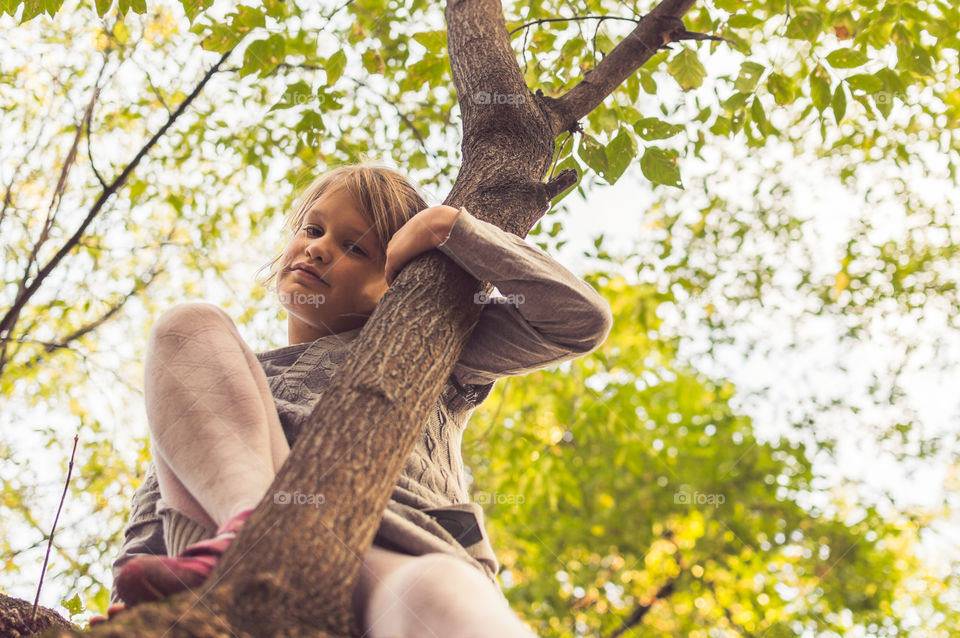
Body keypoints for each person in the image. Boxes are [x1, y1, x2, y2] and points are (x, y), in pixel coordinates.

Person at [90, 164, 613, 636]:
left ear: (396, 283)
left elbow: (579, 319)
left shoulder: (434, 340)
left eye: (355, 248)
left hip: (391, 544)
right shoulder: (219, 376)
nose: (318, 248)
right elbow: (157, 498)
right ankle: (252, 532)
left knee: (442, 592)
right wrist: (134, 609)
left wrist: (450, 229)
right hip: (219, 565)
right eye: (313, 230)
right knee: (188, 324)